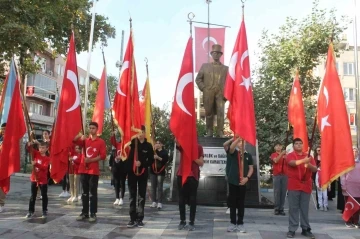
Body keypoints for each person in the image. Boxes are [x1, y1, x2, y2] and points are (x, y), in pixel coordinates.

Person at [74, 122, 106, 223]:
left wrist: (91, 160)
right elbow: (73, 141)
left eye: (93, 128)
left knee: (92, 193)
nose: (91, 130)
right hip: (83, 169)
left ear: (97, 129)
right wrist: (79, 136)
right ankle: (84, 212)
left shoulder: (100, 142)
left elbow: (103, 156)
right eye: (90, 128)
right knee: (84, 193)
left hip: (93, 171)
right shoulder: (85, 140)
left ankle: (93, 213)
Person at [286, 138, 317, 239]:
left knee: (305, 208)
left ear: (303, 145)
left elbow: (315, 169)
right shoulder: (290, 155)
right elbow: (292, 163)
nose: (298, 145)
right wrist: (304, 161)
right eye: (296, 144)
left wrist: (308, 165)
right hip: (294, 185)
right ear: (293, 146)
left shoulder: (309, 156)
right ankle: (292, 229)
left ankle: (305, 228)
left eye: (300, 143)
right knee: (293, 208)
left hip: (306, 185)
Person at [195, 44, 229, 137]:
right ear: (211, 54)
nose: (216, 55)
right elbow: (198, 79)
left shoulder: (226, 69)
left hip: (220, 94)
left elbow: (229, 82)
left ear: (220, 55)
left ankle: (220, 132)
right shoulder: (205, 66)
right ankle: (209, 131)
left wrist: (226, 94)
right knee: (208, 112)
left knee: (220, 113)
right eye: (214, 53)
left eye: (218, 53)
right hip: (208, 92)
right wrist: (204, 88)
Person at [223, 137, 254, 233]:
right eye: (239, 142)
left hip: (242, 182)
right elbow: (230, 147)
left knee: (241, 204)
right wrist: (237, 138)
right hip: (233, 181)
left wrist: (247, 178)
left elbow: (251, 168)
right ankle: (232, 223)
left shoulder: (248, 155)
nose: (241, 144)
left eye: (243, 142)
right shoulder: (233, 153)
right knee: (232, 203)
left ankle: (240, 223)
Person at [126, 125, 154, 228]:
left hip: (143, 173)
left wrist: (141, 163)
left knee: (141, 196)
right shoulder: (132, 143)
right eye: (138, 132)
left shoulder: (148, 146)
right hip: (132, 173)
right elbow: (124, 150)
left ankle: (140, 218)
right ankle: (132, 218)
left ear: (144, 133)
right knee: (132, 196)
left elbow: (151, 160)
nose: (139, 134)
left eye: (141, 132)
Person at [176, 139, 204, 231]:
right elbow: (177, 141)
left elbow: (201, 163)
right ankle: (182, 221)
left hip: (193, 176)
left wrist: (193, 157)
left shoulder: (199, 147)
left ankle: (191, 222)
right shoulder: (183, 145)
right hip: (182, 175)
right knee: (181, 199)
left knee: (193, 199)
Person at [25, 141, 50, 218]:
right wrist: (29, 145)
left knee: (44, 195)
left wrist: (36, 164)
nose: (41, 149)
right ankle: (30, 211)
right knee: (33, 195)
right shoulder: (36, 153)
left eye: (43, 148)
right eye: (40, 147)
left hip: (43, 180)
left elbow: (44, 167)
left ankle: (44, 210)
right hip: (34, 178)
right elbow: (30, 150)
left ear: (47, 148)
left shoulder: (47, 158)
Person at [340, 146, 360, 228]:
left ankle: (355, 221)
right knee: (349, 204)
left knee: (357, 205)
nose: (354, 152)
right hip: (348, 187)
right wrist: (343, 185)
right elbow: (342, 175)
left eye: (356, 151)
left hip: (358, 187)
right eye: (353, 151)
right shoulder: (346, 162)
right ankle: (348, 220)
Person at [149, 140, 169, 209]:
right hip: (153, 171)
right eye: (156, 143)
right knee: (153, 187)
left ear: (162, 145)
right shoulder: (153, 151)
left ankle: (160, 202)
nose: (157, 144)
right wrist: (153, 153)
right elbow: (149, 159)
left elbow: (165, 160)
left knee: (160, 187)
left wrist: (158, 158)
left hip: (161, 171)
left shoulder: (164, 152)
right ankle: (153, 201)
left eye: (159, 143)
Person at [270, 142, 287, 216]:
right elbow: (276, 160)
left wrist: (285, 156)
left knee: (283, 192)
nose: (278, 147)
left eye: (280, 145)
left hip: (285, 175)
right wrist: (281, 154)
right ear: (274, 148)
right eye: (277, 145)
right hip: (277, 175)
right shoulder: (273, 154)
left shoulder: (286, 155)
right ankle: (276, 208)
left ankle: (281, 208)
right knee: (277, 192)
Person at [110, 131, 127, 206]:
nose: (120, 139)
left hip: (123, 167)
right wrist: (112, 135)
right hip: (115, 167)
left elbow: (127, 156)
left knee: (122, 183)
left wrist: (122, 157)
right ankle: (117, 198)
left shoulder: (125, 146)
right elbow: (113, 141)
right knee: (116, 183)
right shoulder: (117, 145)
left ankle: (121, 198)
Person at [0, 123, 6, 212]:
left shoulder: (9, 139)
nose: (3, 131)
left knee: (2, 184)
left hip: (4, 164)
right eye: (2, 129)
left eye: (5, 129)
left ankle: (1, 203)